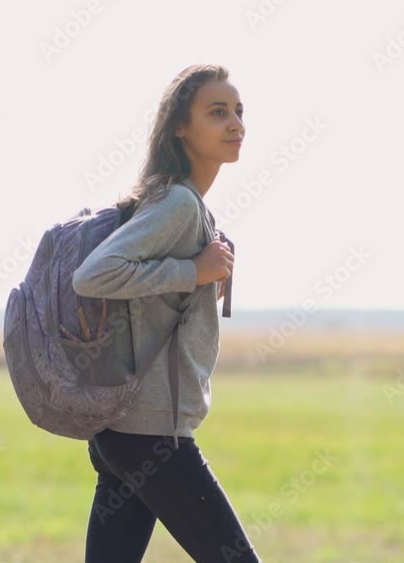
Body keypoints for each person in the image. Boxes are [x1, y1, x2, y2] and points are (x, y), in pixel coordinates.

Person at [72, 64, 260, 563]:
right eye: (217, 113)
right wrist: (192, 272)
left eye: (239, 111)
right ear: (181, 127)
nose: (235, 123)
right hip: (153, 433)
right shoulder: (177, 202)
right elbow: (94, 275)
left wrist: (193, 272)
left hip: (124, 429)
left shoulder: (184, 203)